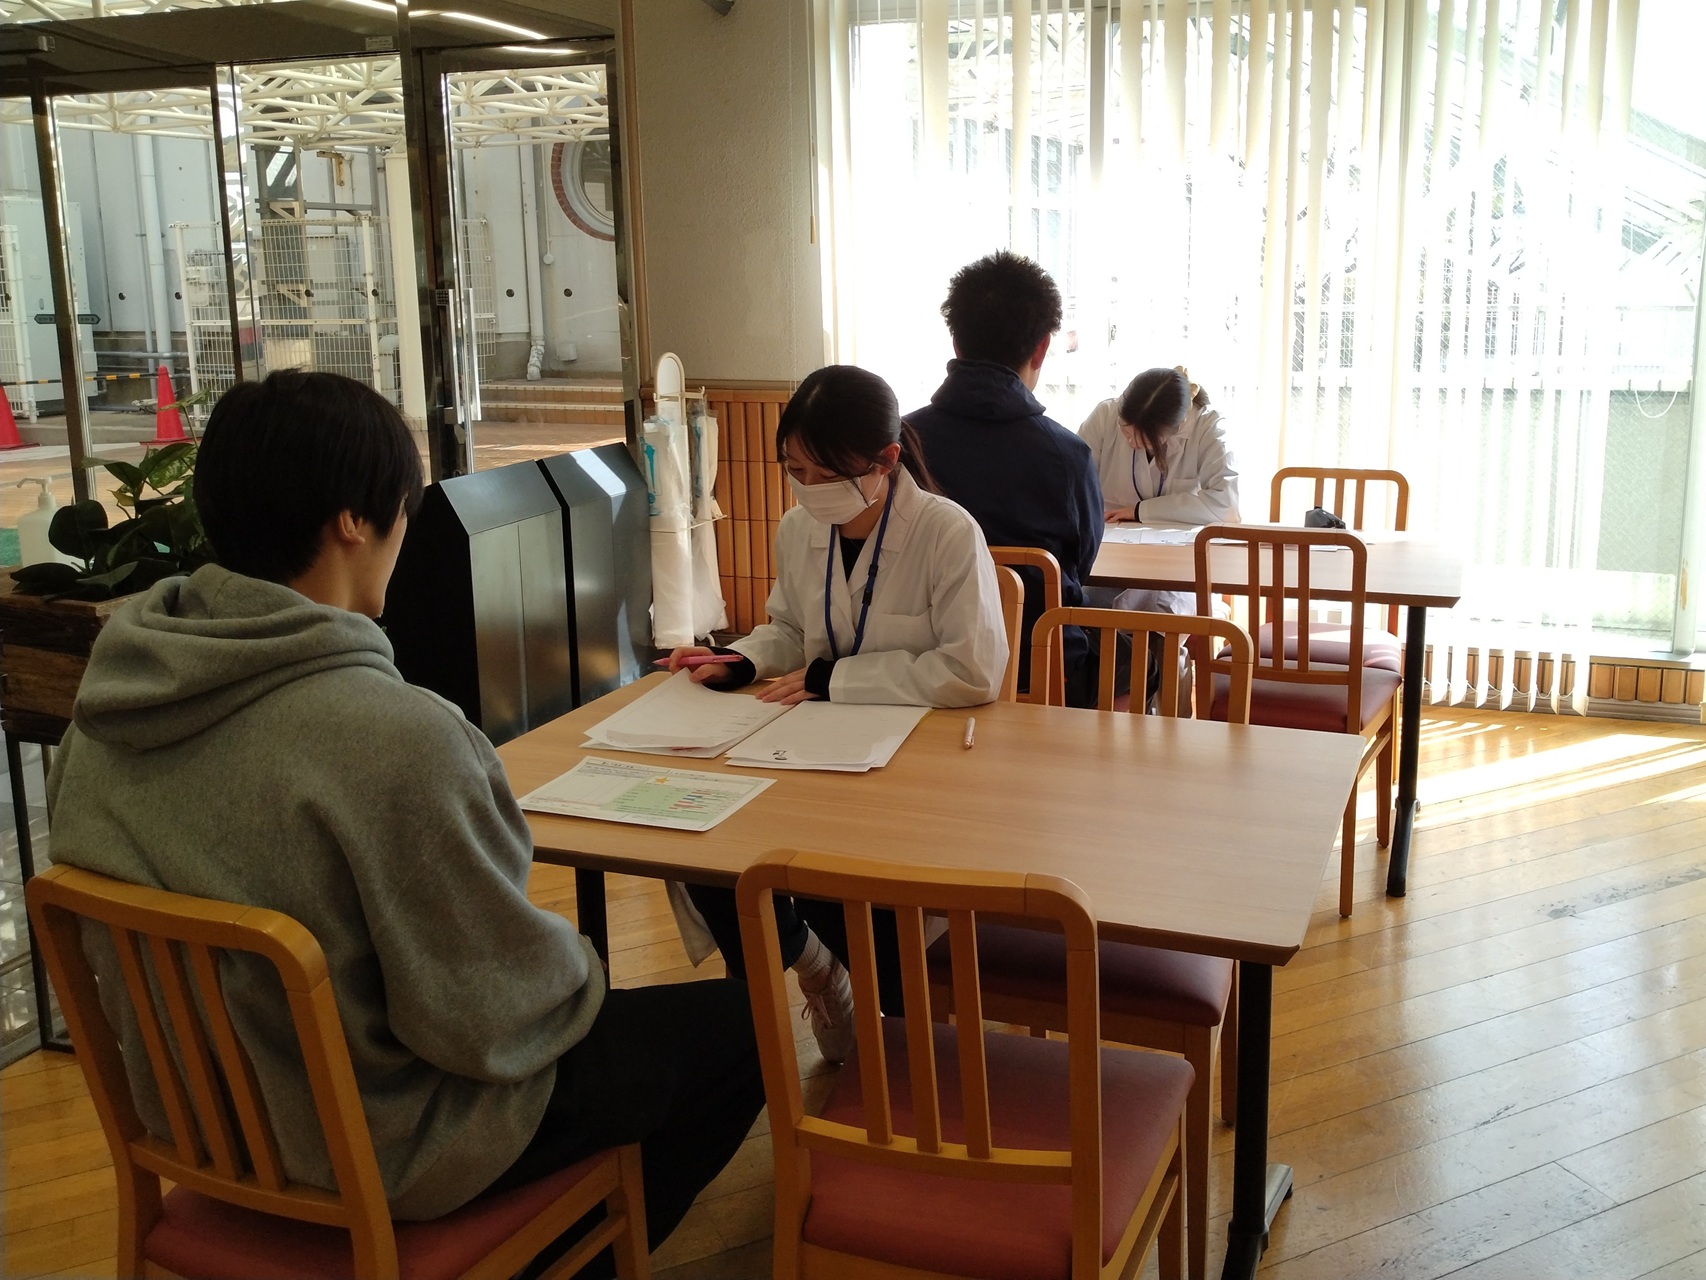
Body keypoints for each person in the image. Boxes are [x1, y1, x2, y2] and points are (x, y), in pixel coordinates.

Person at [46, 370, 765, 1280]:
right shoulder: (395, 739)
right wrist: (579, 968)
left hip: (200, 1120)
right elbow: (494, 1020)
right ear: (354, 520)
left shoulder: (99, 726)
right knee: (745, 1028)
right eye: (402, 505)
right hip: (382, 1143)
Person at [667, 363, 1008, 1062]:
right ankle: (816, 968)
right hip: (810, 745)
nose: (808, 488)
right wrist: (739, 660)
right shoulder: (800, 529)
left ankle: (881, 1017)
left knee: (840, 884)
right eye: (796, 470)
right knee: (703, 851)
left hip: (911, 765)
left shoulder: (945, 532)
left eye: (826, 474)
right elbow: (791, 629)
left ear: (885, 460)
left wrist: (835, 679)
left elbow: (972, 671)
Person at [905, 250, 1106, 707]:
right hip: (1045, 667)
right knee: (1144, 655)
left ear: (956, 344)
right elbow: (1080, 565)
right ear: (1041, 348)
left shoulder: (901, 443)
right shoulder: (1068, 454)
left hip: (924, 667)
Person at [1079, 365, 1241, 615]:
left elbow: (1226, 506)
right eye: (1126, 431)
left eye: (1144, 437)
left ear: (1175, 426)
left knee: (1160, 611)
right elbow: (1075, 482)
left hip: (1180, 561)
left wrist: (1140, 511)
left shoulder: (1208, 427)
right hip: (1111, 552)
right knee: (1085, 604)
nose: (1132, 442)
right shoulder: (1105, 415)